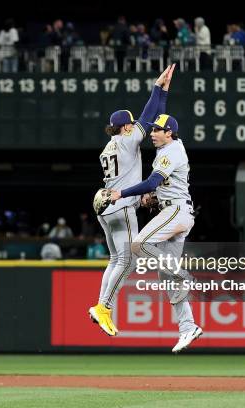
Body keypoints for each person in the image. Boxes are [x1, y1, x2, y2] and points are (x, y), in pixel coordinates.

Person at [88, 65, 174, 337]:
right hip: (122, 207)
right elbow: (150, 117)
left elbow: (152, 117)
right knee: (129, 261)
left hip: (106, 209)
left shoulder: (107, 148)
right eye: (131, 124)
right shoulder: (126, 140)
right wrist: (156, 88)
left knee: (115, 260)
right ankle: (104, 307)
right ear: (125, 126)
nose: (136, 126)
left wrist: (164, 91)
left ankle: (100, 308)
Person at [109, 111, 203, 353]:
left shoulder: (171, 151)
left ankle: (184, 275)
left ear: (168, 132)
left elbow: (151, 182)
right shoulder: (167, 150)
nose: (151, 134)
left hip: (176, 212)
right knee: (165, 276)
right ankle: (188, 327)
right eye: (151, 130)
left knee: (139, 244)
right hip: (172, 209)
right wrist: (152, 198)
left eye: (156, 130)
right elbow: (159, 188)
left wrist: (122, 193)